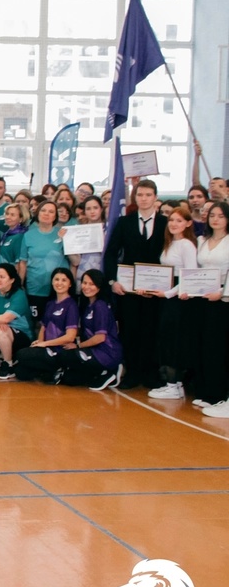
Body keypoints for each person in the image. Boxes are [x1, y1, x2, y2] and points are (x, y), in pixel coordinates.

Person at [103, 178, 166, 389]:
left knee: (152, 331)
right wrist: (113, 281)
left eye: (148, 195)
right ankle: (132, 373)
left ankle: (150, 373)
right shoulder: (125, 222)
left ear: (155, 197)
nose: (144, 199)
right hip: (129, 289)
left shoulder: (166, 223)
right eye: (140, 195)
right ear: (135, 197)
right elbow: (111, 253)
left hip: (157, 290)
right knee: (130, 331)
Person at [145, 206, 199, 401]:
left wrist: (168, 293)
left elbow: (189, 275)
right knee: (165, 338)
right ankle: (171, 383)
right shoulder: (170, 243)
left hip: (178, 299)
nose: (174, 224)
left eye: (179, 220)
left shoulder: (187, 245)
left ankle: (174, 384)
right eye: (171, 220)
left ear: (188, 223)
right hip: (167, 296)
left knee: (174, 340)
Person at [54, 269, 123, 390]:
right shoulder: (87, 305)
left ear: (99, 286)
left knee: (67, 355)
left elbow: (100, 337)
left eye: (92, 284)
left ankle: (111, 369)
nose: (87, 287)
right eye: (84, 283)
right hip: (93, 350)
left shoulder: (100, 305)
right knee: (69, 379)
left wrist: (78, 346)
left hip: (107, 352)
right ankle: (99, 372)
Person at [192, 203, 229, 415]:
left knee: (218, 347)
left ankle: (219, 394)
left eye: (221, 216)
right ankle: (207, 391)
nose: (215, 219)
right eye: (212, 215)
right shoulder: (202, 240)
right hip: (201, 298)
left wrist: (222, 292)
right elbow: (195, 270)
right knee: (203, 344)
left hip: (222, 300)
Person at [12, 267, 79, 383]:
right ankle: (50, 372)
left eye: (64, 280)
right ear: (52, 282)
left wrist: (44, 344)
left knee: (21, 354)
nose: (59, 283)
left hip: (59, 351)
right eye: (56, 279)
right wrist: (39, 342)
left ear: (70, 284)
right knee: (21, 372)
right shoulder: (50, 303)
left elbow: (70, 337)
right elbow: (44, 327)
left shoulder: (71, 305)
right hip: (47, 348)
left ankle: (58, 368)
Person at [19, 201, 68, 322]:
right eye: (43, 210)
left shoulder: (62, 233)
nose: (46, 214)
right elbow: (23, 262)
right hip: (34, 287)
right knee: (35, 323)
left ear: (55, 216)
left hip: (58, 289)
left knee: (55, 324)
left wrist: (66, 241)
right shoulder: (28, 235)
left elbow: (75, 261)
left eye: (51, 211)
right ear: (37, 213)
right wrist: (20, 284)